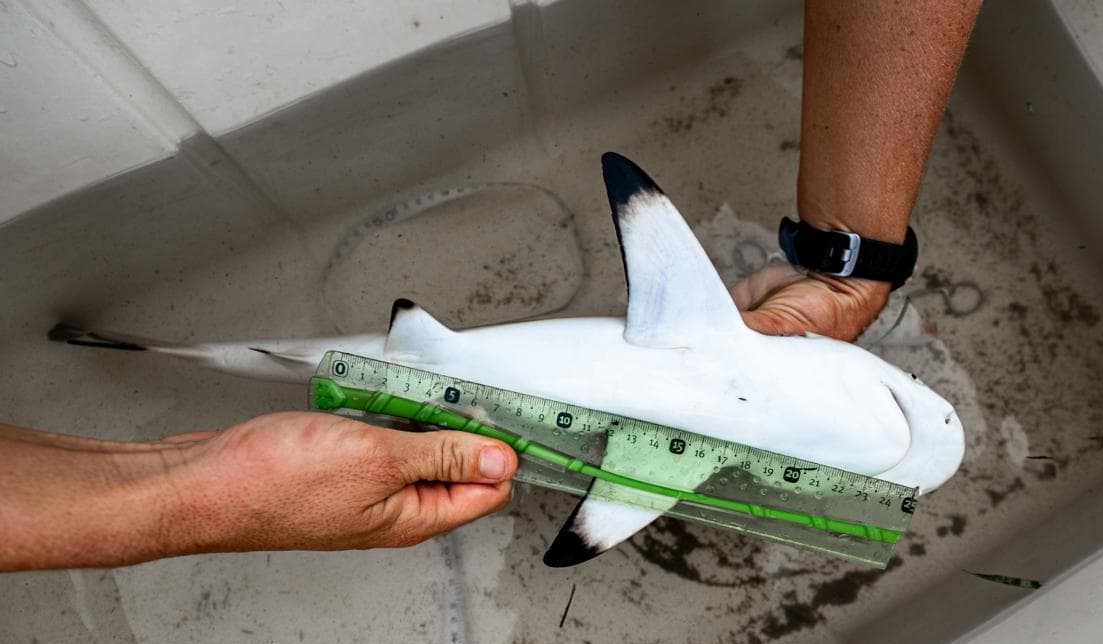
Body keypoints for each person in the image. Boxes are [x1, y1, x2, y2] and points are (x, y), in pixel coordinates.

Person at [0, 0, 980, 572]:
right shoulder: (676, 449)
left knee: (286, 359)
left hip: (465, 361)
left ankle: (140, 352)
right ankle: (139, 355)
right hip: (458, 370)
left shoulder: (702, 369)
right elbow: (634, 483)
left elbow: (645, 218)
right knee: (288, 362)